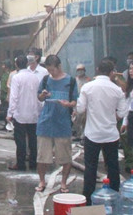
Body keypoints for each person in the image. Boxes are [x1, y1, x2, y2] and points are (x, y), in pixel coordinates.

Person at [76, 59, 129, 205]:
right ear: (112, 73)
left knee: (90, 168)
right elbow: (123, 111)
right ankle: (114, 196)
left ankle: (88, 199)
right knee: (112, 166)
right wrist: (114, 117)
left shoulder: (88, 87)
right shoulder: (117, 90)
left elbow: (80, 109)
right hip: (111, 133)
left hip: (92, 134)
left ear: (97, 69)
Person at [35, 55, 78, 194]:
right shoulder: (46, 79)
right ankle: (42, 180)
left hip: (62, 123)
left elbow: (74, 101)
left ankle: (64, 182)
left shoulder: (70, 81)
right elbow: (39, 97)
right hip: (46, 122)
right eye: (48, 70)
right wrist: (43, 94)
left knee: (65, 157)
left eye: (52, 69)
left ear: (59, 67)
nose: (50, 73)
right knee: (42, 156)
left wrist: (68, 104)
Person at [7, 54, 41, 171]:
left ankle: (20, 163)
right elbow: (38, 95)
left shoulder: (17, 78)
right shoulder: (34, 77)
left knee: (20, 140)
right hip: (33, 113)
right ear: (27, 64)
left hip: (20, 113)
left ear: (16, 64)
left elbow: (14, 97)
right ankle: (33, 162)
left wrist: (10, 113)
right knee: (33, 140)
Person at [72, 63, 91, 139]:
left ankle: (84, 134)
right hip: (76, 102)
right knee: (76, 119)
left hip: (86, 102)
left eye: (81, 70)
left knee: (85, 119)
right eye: (78, 70)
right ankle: (77, 134)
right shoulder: (74, 80)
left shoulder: (88, 80)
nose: (80, 71)